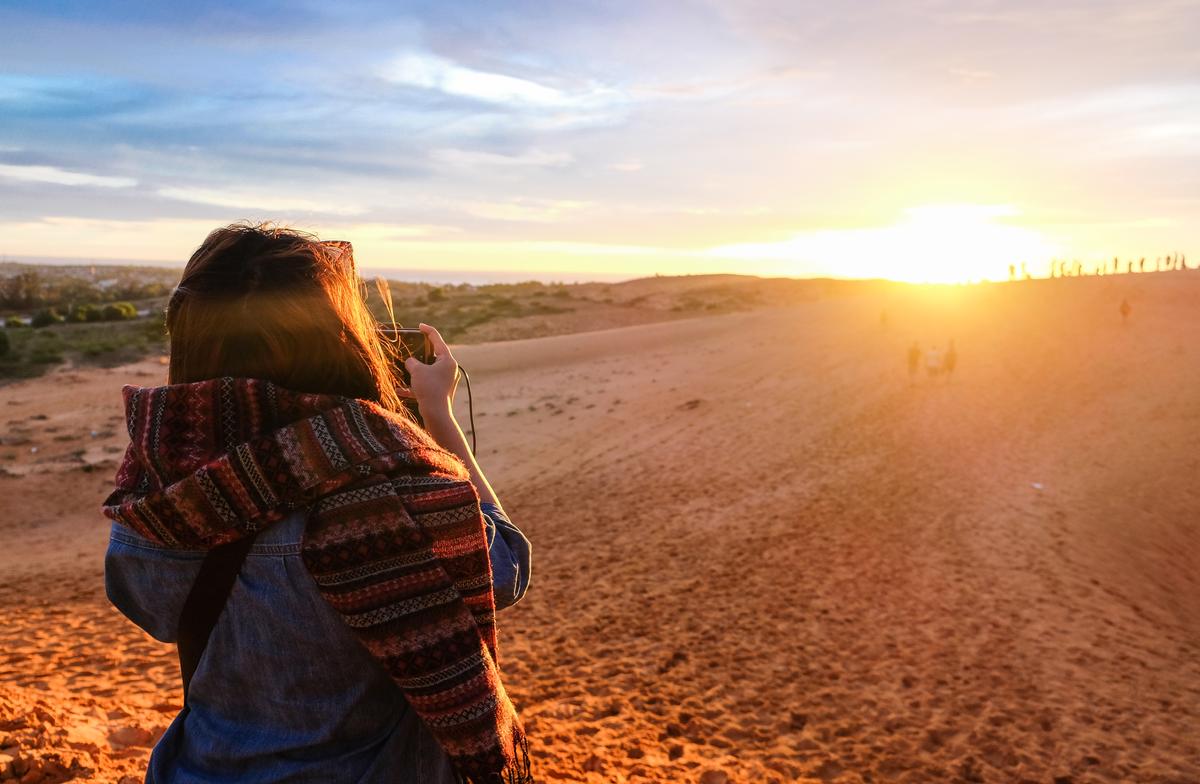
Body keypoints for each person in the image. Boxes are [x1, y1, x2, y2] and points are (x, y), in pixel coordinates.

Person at [102, 223, 533, 784]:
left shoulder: (160, 493)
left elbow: (148, 607)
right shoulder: (395, 489)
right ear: (338, 338)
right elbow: (505, 569)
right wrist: (438, 419)